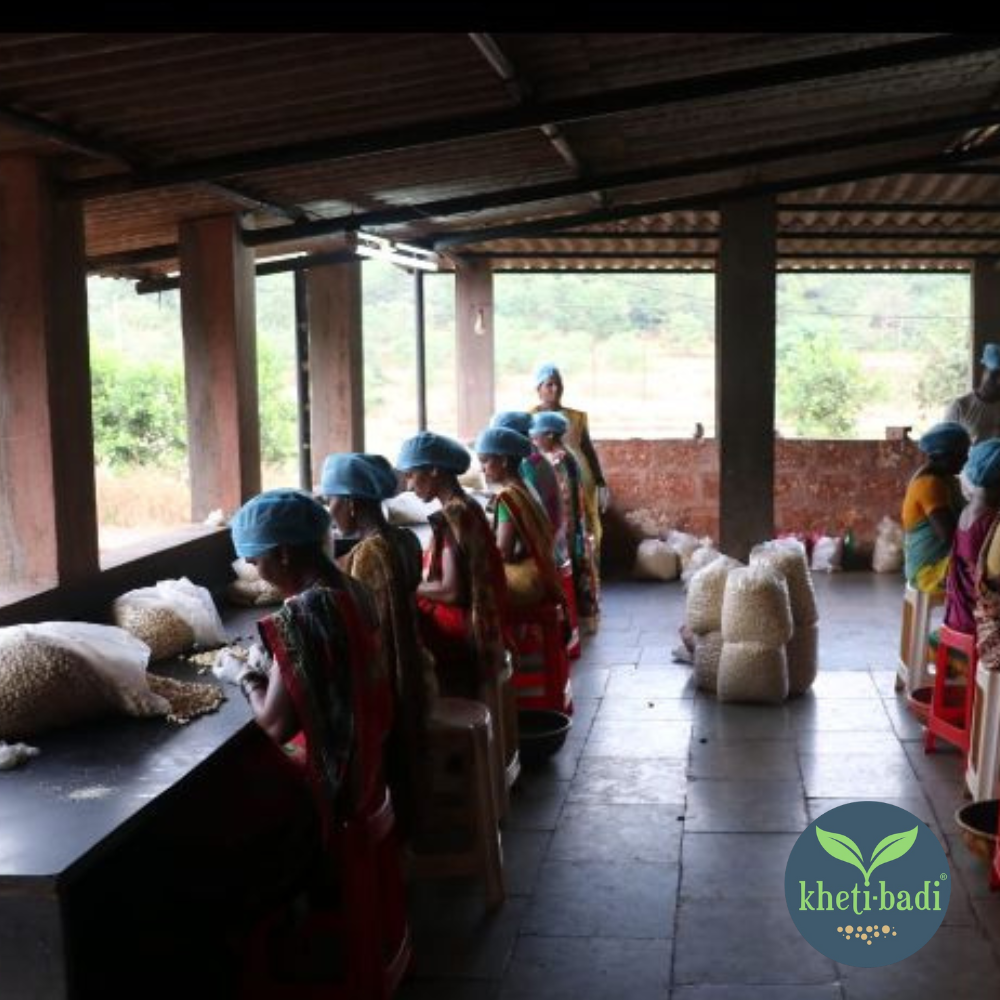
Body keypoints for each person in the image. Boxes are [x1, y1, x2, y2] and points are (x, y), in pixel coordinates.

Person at [229, 488, 385, 838]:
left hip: (335, 778)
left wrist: (246, 676)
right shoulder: (354, 588)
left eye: (256, 562)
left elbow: (274, 726)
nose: (257, 573)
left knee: (232, 778)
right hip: (369, 762)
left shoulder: (303, 613)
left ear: (283, 553)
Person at [320, 452, 438, 834]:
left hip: (398, 687)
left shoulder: (371, 554)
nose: (330, 510)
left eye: (331, 500)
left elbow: (375, 641)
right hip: (422, 669)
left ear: (352, 503)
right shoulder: (402, 539)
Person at [396, 431, 509, 700]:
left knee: (402, 623)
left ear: (435, 470)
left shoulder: (452, 515)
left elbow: (451, 592)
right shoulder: (470, 505)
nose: (409, 486)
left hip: (468, 625)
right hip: (487, 618)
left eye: (412, 475)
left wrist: (409, 587)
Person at [473, 425, 565, 610]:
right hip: (545, 571)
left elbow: (503, 554)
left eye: (485, 461)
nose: (482, 470)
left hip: (528, 581)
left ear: (504, 460)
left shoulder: (508, 498)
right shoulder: (524, 489)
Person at [530, 410, 600, 634]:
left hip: (567, 529)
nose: (533, 439)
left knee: (571, 571)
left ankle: (575, 620)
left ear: (550, 436)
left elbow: (561, 499)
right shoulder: (566, 454)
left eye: (537, 435)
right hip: (571, 526)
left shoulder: (558, 458)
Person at [530, 362, 609, 558]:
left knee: (585, 521)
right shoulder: (529, 417)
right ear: (538, 389)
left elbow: (587, 449)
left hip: (580, 476)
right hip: (545, 476)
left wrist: (599, 479)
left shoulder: (577, 417)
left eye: (558, 384)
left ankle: (588, 564)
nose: (555, 389)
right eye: (549, 384)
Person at [901, 422, 969, 593]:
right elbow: (949, 534)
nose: (966, 459)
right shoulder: (929, 485)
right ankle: (965, 620)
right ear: (942, 456)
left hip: (940, 563)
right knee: (988, 578)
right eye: (961, 455)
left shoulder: (948, 480)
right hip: (929, 572)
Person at [942, 439, 1000, 634]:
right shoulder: (991, 519)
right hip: (977, 620)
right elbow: (992, 581)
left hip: (958, 614)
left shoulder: (968, 511)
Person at [944, 342, 1000, 444]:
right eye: (995, 375)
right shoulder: (960, 407)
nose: (999, 381)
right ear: (983, 371)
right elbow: (946, 447)